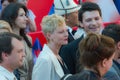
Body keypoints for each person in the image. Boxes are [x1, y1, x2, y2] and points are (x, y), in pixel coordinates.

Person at [59, 2, 103, 74]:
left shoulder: (111, 44)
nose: (94, 23)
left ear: (101, 19)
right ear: (81, 23)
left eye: (96, 19)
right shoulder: (68, 50)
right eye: (88, 20)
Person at [1, 3, 33, 80]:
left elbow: (30, 66)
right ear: (11, 17)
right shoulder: (4, 41)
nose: (26, 19)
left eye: (25, 15)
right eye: (21, 15)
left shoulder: (28, 39)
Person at [32, 14, 69, 80]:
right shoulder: (44, 60)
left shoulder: (56, 54)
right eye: (61, 32)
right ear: (49, 35)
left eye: (67, 30)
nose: (66, 34)